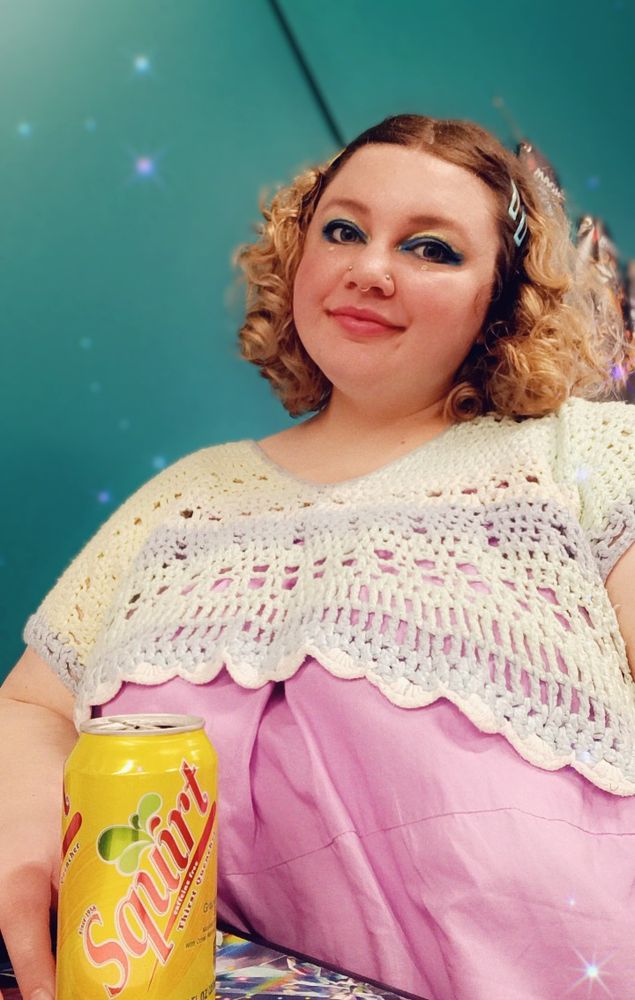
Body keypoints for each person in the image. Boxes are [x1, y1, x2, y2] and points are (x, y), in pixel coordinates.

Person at [2, 112, 635, 1000]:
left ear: (502, 299)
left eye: (432, 249)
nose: (369, 270)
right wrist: (26, 839)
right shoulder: (188, 497)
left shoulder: (589, 458)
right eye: (342, 229)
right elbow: (33, 701)